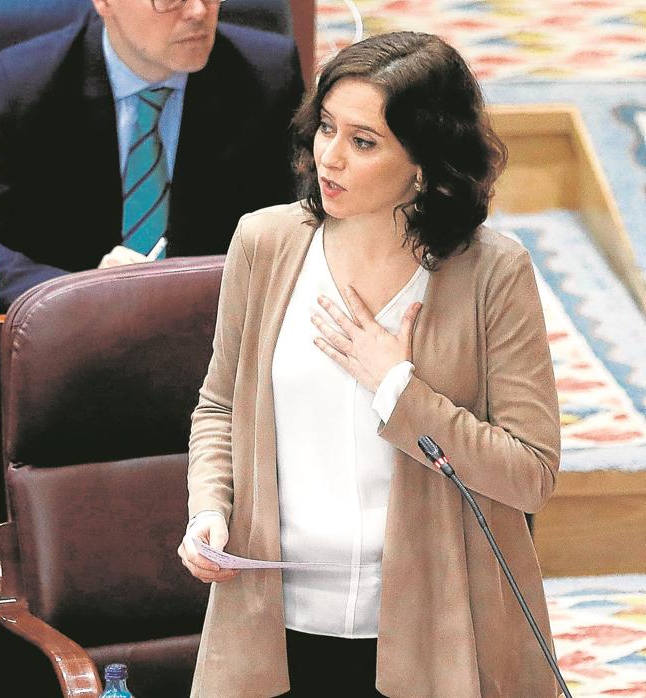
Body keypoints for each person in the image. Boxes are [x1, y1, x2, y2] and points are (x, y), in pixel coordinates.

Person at [177, 32, 560, 696]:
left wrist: (399, 389)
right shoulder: (264, 244)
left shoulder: (493, 273)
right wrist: (209, 506)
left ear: (423, 162)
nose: (329, 157)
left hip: (433, 632)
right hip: (275, 624)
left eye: (363, 141)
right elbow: (220, 408)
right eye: (326, 128)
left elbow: (529, 474)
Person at [0, 0, 303, 309]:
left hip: (212, 334)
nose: (197, 11)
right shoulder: (29, 82)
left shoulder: (265, 76)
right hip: (70, 343)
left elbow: (301, 227)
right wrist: (78, 291)